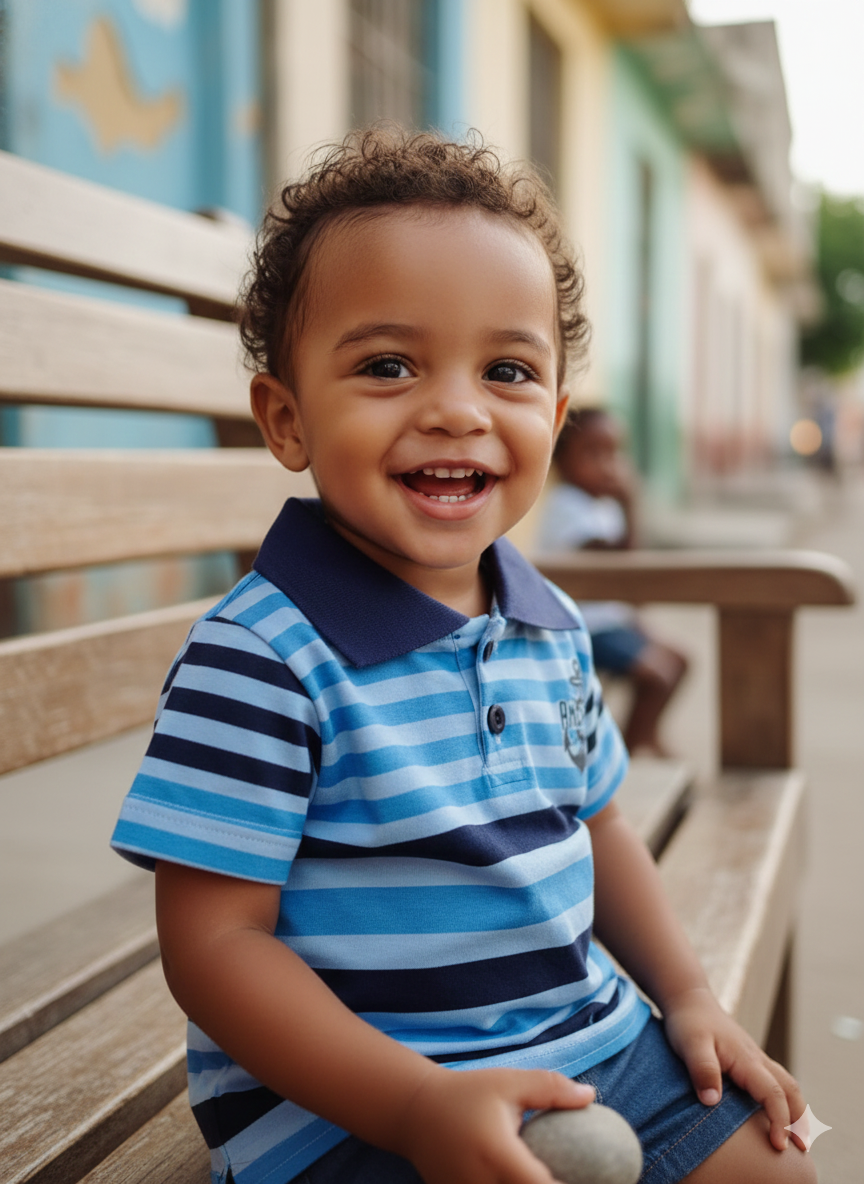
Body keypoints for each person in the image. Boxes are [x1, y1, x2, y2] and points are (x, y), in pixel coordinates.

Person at [110, 129, 814, 1184]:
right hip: (350, 1098)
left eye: (508, 369)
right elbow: (216, 950)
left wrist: (690, 995)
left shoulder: (552, 625)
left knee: (774, 1164)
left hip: (588, 1042)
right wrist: (416, 1101)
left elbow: (598, 819)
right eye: (388, 365)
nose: (457, 407)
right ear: (287, 416)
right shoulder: (262, 657)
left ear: (557, 414)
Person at [538, 410, 688, 756]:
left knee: (680, 660)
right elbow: (617, 561)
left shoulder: (601, 506)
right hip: (582, 626)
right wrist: (631, 503)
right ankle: (629, 749)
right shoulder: (567, 506)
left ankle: (642, 734)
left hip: (611, 620)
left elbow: (625, 575)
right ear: (559, 461)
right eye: (593, 454)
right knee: (657, 676)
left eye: (614, 453)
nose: (608, 466)